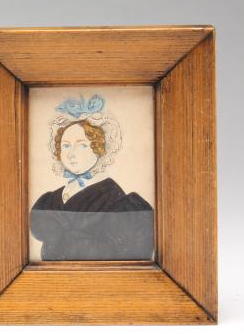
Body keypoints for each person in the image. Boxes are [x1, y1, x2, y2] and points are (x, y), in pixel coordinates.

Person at [29, 96, 153, 260]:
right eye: (66, 145)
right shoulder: (50, 199)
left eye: (82, 145)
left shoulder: (114, 198)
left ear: (98, 149)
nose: (71, 154)